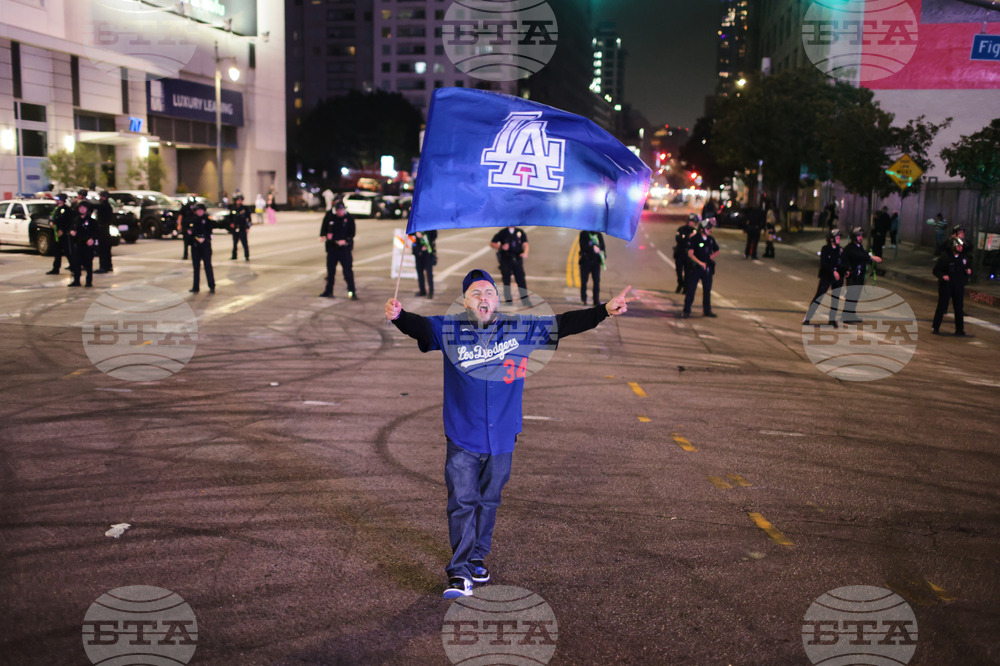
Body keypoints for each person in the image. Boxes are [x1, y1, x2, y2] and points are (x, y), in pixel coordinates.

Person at [384, 269, 634, 598]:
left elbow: (563, 323)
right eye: (475, 293)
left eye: (489, 292)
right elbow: (419, 326)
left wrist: (604, 310)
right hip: (463, 435)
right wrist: (399, 316)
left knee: (488, 501)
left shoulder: (520, 329)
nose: (483, 297)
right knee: (461, 502)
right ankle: (459, 572)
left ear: (497, 300)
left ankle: (476, 557)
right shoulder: (449, 328)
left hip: (502, 436)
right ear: (465, 301)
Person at [802, 228, 844, 327]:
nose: (839, 239)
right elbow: (824, 263)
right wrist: (833, 271)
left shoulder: (840, 250)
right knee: (819, 296)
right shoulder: (826, 249)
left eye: (839, 237)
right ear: (831, 239)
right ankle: (808, 317)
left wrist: (845, 271)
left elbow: (843, 262)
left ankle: (832, 319)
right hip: (827, 276)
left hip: (837, 277)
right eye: (837, 237)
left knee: (835, 298)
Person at [841, 226, 882, 323]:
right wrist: (871, 258)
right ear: (854, 237)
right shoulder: (850, 248)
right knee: (851, 296)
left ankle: (851, 314)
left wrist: (870, 258)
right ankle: (846, 316)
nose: (861, 238)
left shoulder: (860, 247)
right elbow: (859, 256)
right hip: (853, 276)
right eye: (858, 236)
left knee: (856, 296)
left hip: (859, 276)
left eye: (861, 236)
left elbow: (863, 256)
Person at [932, 237, 972, 336]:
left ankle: (960, 329)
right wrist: (942, 276)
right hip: (947, 286)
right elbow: (936, 270)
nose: (960, 248)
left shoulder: (964, 258)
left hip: (958, 286)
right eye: (958, 246)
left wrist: (968, 272)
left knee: (959, 308)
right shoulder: (945, 258)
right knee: (942, 307)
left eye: (961, 246)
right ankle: (935, 327)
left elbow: (968, 268)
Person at [319, 201, 357, 299]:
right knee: (330, 272)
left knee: (347, 271)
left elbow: (352, 233)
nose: (340, 212)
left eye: (341, 210)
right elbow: (324, 228)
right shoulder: (330, 216)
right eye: (338, 210)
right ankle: (328, 291)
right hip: (332, 248)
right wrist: (324, 235)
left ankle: (352, 291)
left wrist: (345, 241)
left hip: (344, 249)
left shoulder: (349, 218)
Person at [683, 218, 720, 318]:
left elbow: (717, 250)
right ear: (702, 229)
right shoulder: (695, 239)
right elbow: (690, 254)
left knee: (707, 290)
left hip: (707, 269)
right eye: (708, 229)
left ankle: (707, 310)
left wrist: (710, 258)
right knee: (691, 290)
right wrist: (700, 263)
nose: (709, 230)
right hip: (696, 268)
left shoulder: (710, 240)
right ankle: (686, 310)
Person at [490, 226, 529, 302]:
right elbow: (492, 243)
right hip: (506, 259)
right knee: (506, 280)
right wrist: (501, 246)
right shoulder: (503, 232)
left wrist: (525, 252)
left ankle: (525, 300)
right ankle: (508, 300)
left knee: (521, 279)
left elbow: (525, 244)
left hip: (517, 258)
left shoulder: (520, 232)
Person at [68, 200, 98, 287]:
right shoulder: (76, 220)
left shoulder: (92, 221)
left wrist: (92, 239)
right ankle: (76, 280)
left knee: (88, 264)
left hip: (88, 245)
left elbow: (96, 232)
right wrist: (71, 232)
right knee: (76, 263)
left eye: (84, 208)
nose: (82, 209)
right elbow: (71, 229)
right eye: (80, 208)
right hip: (78, 244)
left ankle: (89, 281)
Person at [187, 203, 215, 294]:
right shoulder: (192, 220)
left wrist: (204, 238)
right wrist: (193, 237)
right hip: (195, 246)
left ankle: (212, 285)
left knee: (208, 266)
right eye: (198, 210)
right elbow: (189, 232)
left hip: (205, 245)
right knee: (196, 267)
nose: (199, 212)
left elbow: (210, 232)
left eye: (201, 210)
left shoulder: (207, 220)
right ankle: (195, 287)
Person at [46, 193, 75, 275]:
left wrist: (63, 230)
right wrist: (51, 222)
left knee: (68, 252)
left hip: (64, 234)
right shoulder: (56, 209)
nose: (56, 201)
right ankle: (56, 268)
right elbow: (52, 218)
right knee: (57, 252)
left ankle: (74, 268)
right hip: (56, 234)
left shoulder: (66, 210)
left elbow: (68, 222)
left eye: (57, 199)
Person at [578, 230, 606, 305]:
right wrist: (592, 248)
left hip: (596, 262)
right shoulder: (584, 234)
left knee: (596, 281)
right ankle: (584, 299)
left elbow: (603, 247)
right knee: (584, 281)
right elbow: (582, 246)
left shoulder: (599, 235)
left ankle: (596, 300)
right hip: (585, 262)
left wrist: (603, 255)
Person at [673, 214, 699, 293]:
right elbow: (678, 239)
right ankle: (680, 283)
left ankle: (685, 287)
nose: (692, 223)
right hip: (680, 252)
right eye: (690, 221)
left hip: (689, 254)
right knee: (679, 270)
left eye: (693, 222)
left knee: (688, 272)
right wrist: (688, 237)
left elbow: (696, 243)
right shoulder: (681, 229)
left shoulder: (695, 232)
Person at [410, 229, 437, 299]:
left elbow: (434, 235)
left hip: (428, 252)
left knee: (429, 273)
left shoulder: (430, 225)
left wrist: (427, 242)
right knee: (419, 272)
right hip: (418, 251)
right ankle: (422, 291)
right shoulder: (416, 224)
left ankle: (431, 292)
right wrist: (416, 233)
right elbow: (409, 232)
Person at [94, 190, 114, 273]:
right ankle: (108, 265)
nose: (100, 198)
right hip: (106, 230)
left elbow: (95, 206)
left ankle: (103, 266)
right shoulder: (107, 205)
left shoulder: (104, 206)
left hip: (103, 230)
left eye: (101, 196)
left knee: (102, 249)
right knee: (106, 249)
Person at [228, 194, 252, 260]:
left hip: (242, 228)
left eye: (240, 200)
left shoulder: (245, 209)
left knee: (244, 243)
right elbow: (230, 218)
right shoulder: (233, 208)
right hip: (235, 228)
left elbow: (249, 219)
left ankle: (247, 256)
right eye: (238, 200)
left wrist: (248, 227)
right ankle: (234, 256)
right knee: (235, 243)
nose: (239, 201)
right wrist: (231, 224)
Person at [179, 196, 197, 261]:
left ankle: (194, 255)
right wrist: (179, 225)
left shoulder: (195, 208)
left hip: (193, 227)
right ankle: (185, 255)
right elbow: (180, 216)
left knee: (193, 242)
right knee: (186, 241)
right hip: (185, 227)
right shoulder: (185, 208)